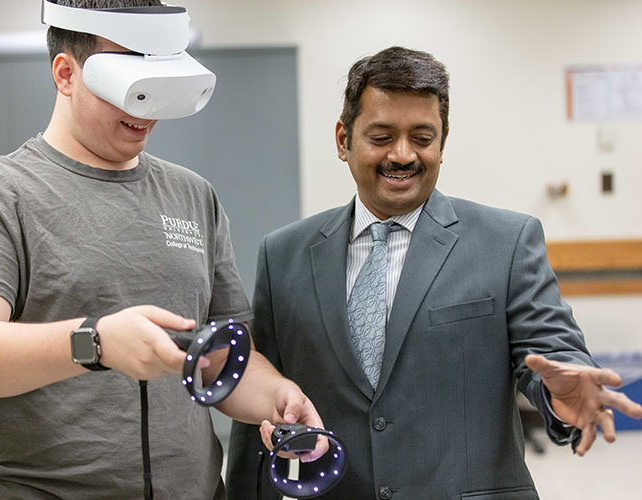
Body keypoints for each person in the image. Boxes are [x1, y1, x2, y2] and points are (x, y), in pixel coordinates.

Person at [0, 1, 324, 499]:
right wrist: (96, 342)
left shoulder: (192, 196)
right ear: (66, 74)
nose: (144, 112)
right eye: (129, 87)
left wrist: (279, 397)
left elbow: (222, 359)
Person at [226, 46, 642, 499]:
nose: (402, 155)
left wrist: (562, 392)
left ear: (442, 142)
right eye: (381, 136)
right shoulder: (283, 254)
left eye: (422, 137)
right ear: (343, 139)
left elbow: (552, 349)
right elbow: (258, 400)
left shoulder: (506, 242)